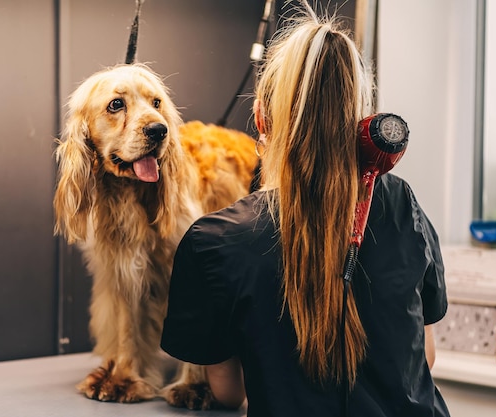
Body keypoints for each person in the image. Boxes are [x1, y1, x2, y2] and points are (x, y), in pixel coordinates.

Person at [161, 4, 451, 417]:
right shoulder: (402, 204)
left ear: (262, 116)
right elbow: (425, 357)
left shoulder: (215, 242)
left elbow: (227, 392)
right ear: (362, 118)